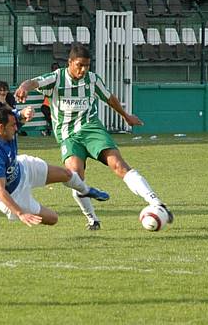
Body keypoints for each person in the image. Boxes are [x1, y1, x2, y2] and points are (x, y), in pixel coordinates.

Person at [14, 44, 174, 230]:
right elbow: (33, 82)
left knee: (118, 165)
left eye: (87, 66)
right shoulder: (56, 78)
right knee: (75, 178)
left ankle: (156, 203)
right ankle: (92, 219)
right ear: (70, 63)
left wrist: (126, 116)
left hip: (91, 129)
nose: (83, 70)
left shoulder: (92, 80)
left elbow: (109, 98)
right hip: (68, 136)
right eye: (80, 65)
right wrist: (23, 88)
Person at [0, 106, 109, 226]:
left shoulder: (2, 123)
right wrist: (20, 213)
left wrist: (24, 112)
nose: (16, 128)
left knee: (67, 174)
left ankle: (86, 191)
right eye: (13, 126)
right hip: (15, 195)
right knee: (53, 218)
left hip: (22, 167)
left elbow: (17, 115)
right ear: (0, 127)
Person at [40, 62, 59, 136]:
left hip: (57, 103)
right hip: (48, 104)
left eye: (56, 68)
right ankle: (53, 127)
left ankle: (51, 128)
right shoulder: (49, 79)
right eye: (54, 68)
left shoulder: (63, 79)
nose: (55, 70)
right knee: (44, 109)